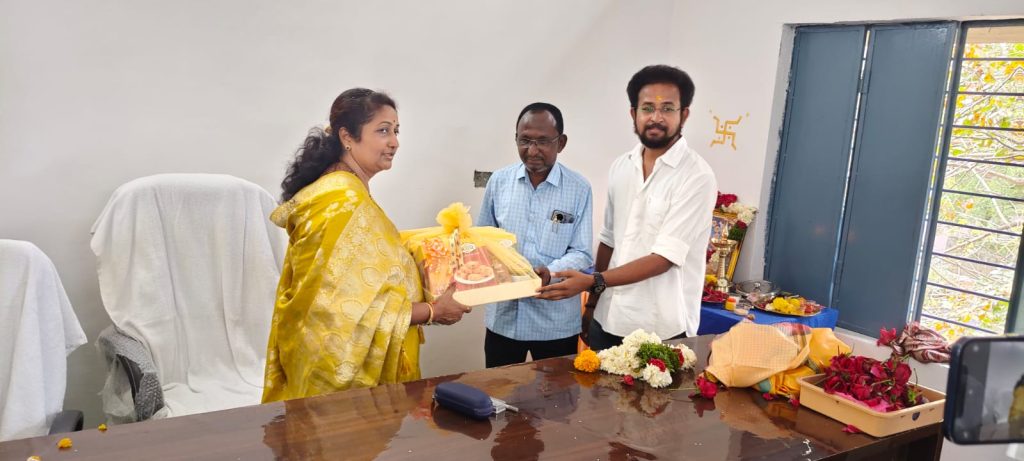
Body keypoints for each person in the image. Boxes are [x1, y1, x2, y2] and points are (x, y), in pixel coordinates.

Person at [262, 88, 470, 402]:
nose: (394, 142)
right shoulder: (343, 200)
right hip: (337, 379)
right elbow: (340, 309)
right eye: (383, 131)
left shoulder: (343, 190)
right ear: (347, 137)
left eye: (396, 130)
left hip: (320, 361)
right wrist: (433, 311)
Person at [537, 65, 717, 350]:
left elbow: (664, 258)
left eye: (667, 108)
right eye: (647, 108)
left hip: (662, 329)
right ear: (634, 114)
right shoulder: (621, 167)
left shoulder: (696, 176)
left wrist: (592, 281)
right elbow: (609, 240)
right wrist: (592, 304)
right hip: (608, 319)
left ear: (684, 115)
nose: (656, 117)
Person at [477, 102, 593, 367]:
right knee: (499, 389)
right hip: (504, 318)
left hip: (555, 323)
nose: (532, 150)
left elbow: (582, 252)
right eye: (525, 140)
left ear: (561, 143)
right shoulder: (499, 181)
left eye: (542, 142)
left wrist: (550, 272)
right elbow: (482, 241)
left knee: (557, 392)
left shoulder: (579, 188)